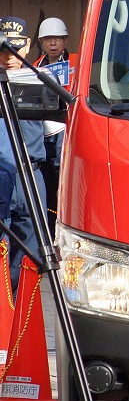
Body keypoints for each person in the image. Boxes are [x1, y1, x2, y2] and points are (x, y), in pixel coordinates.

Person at [0, 17, 46, 288]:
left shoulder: (44, 82)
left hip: (31, 175)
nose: (9, 57)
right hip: (3, 174)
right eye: (3, 50)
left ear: (27, 46)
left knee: (30, 256)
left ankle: (19, 320)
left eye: (15, 50)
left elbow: (56, 142)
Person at [33, 16, 74, 225]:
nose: (53, 43)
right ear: (41, 43)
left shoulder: (77, 62)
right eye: (48, 39)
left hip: (67, 130)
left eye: (57, 38)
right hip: (42, 132)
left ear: (65, 40)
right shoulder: (32, 68)